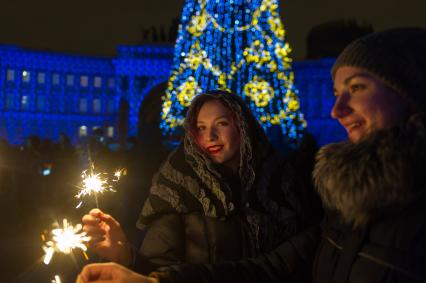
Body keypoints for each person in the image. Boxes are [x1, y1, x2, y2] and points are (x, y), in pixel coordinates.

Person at [77, 27, 426, 283]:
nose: (336, 109)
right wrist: (136, 267)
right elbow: (270, 269)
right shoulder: (344, 204)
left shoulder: (298, 187)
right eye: (199, 127)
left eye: (357, 88)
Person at [82, 90, 318, 274]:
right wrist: (126, 257)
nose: (210, 136)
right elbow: (156, 269)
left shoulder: (283, 182)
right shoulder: (176, 187)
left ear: (243, 127)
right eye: (201, 128)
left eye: (221, 124)